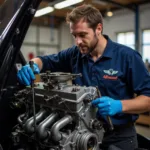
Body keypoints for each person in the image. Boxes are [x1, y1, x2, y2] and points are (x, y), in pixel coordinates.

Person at [17, 4, 150, 150]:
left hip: (119, 137)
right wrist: (31, 65)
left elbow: (148, 99)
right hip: (82, 134)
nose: (78, 42)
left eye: (82, 35)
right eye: (74, 35)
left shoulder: (127, 57)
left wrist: (120, 106)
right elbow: (45, 61)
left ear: (98, 29)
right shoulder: (75, 54)